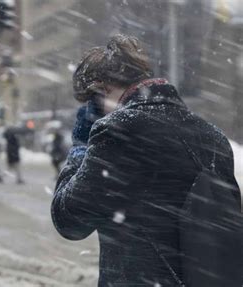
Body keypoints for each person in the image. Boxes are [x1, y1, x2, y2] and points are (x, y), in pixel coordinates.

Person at [51, 35, 242, 286]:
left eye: (91, 100)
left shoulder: (120, 131)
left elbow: (69, 220)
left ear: (102, 90)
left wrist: (80, 147)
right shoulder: (212, 136)